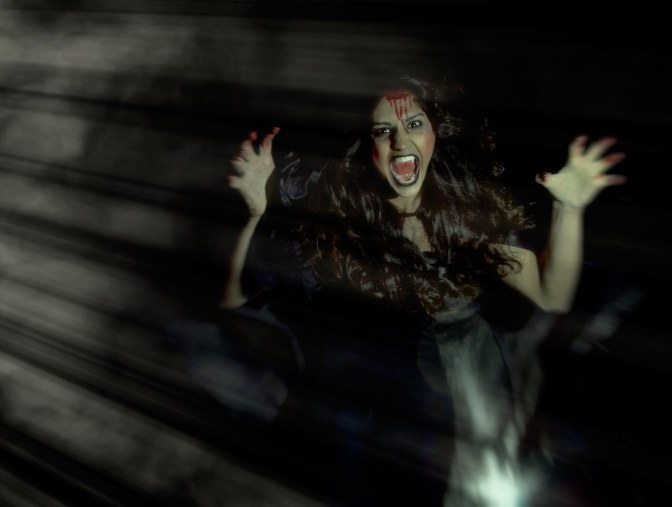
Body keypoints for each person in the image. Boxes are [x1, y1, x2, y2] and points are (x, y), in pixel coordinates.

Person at [169, 74, 627, 506]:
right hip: (380, 439)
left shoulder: (464, 227)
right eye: (383, 131)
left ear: (434, 137)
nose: (400, 141)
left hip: (468, 439)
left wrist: (569, 210)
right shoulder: (338, 233)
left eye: (413, 125)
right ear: (368, 147)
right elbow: (236, 301)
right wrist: (254, 215)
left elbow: (550, 295)